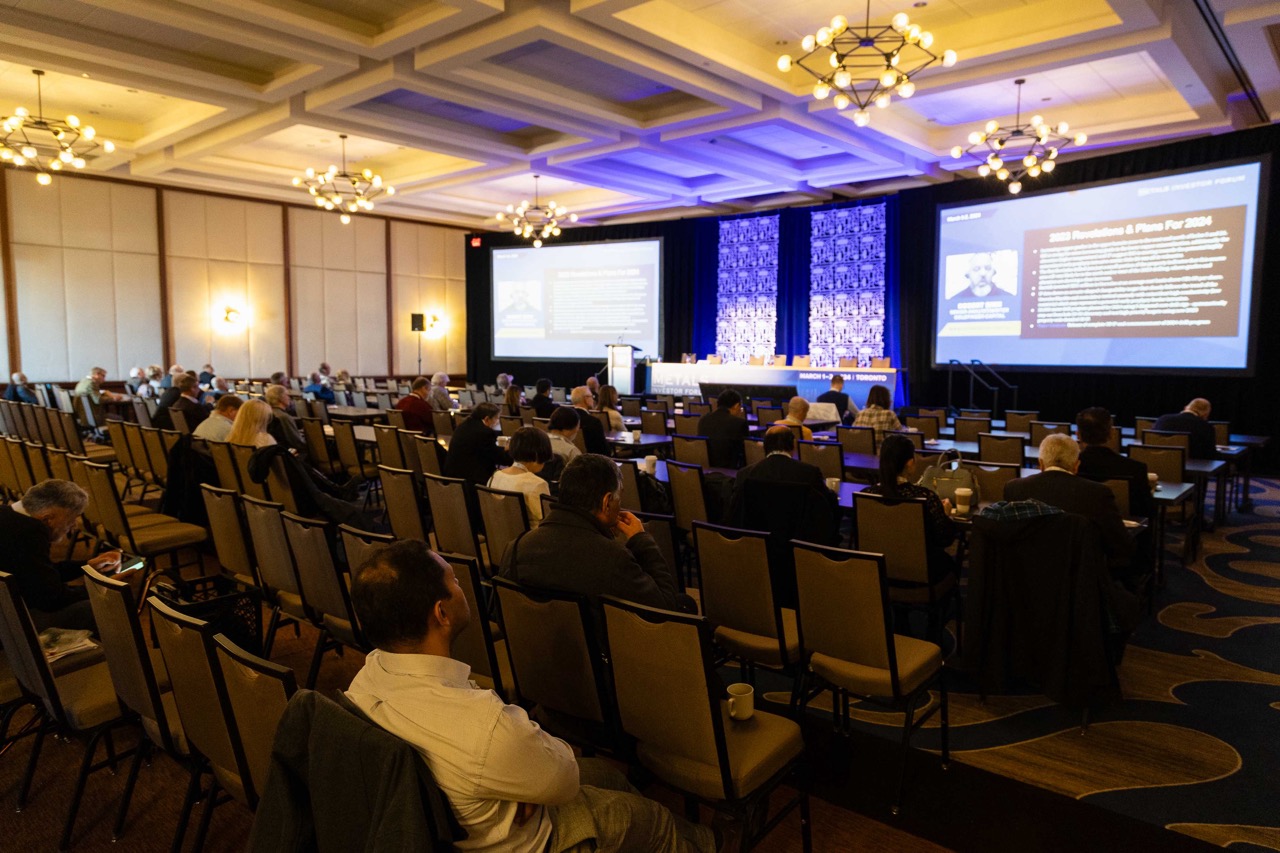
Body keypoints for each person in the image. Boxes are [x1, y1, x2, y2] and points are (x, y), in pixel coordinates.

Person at [347, 540, 716, 853]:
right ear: (441, 613)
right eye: (454, 581)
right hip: (529, 840)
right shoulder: (484, 727)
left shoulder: (366, 678)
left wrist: (516, 784)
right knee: (650, 819)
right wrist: (523, 781)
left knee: (606, 774)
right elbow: (564, 777)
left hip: (477, 810)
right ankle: (707, 844)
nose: (461, 586)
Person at [500, 454, 692, 615]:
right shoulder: (612, 558)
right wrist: (641, 540)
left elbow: (502, 614)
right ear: (607, 502)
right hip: (604, 649)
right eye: (619, 497)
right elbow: (665, 609)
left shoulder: (516, 547)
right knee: (685, 603)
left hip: (533, 648)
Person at [0, 479, 123, 633]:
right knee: (97, 609)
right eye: (71, 518)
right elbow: (52, 599)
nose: (74, 525)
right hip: (12, 624)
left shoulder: (6, 514)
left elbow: (38, 573)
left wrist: (87, 566)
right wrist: (100, 588)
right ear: (47, 519)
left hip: (9, 608)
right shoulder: (30, 531)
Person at [1004, 433, 1132, 562]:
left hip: (1026, 569)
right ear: (1076, 466)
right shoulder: (1098, 493)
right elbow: (1121, 546)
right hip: (1080, 571)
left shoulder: (1014, 489)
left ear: (1041, 464)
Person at [865, 433, 957, 582]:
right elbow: (945, 540)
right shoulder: (925, 497)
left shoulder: (866, 495)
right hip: (921, 576)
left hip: (877, 573)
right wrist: (946, 515)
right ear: (910, 463)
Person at [1077, 407, 1154, 521]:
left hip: (1079, 529)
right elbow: (1145, 511)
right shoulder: (1136, 469)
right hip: (1123, 529)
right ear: (1112, 433)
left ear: (1078, 434)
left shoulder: (1069, 466)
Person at [488, 427, 553, 527]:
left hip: (498, 533)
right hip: (531, 536)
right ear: (537, 455)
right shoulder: (537, 484)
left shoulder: (495, 477)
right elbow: (547, 522)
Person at [444, 402, 510, 485]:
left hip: (453, 475)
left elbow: (485, 449)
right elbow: (499, 458)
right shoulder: (484, 432)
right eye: (496, 419)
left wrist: (503, 448)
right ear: (487, 419)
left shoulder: (463, 425)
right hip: (471, 480)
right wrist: (512, 451)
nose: (497, 422)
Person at [697, 389, 750, 469]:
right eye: (740, 407)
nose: (740, 411)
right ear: (736, 405)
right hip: (730, 470)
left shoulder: (703, 420)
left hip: (705, 468)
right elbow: (747, 449)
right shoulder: (739, 423)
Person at [1152, 397, 1217, 460]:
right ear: (1205, 415)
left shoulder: (1162, 419)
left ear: (1185, 408)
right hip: (1191, 465)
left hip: (1158, 462)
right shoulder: (1206, 427)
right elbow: (1210, 454)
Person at [265, 384, 308, 457]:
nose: (289, 398)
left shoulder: (268, 413)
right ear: (281, 398)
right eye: (287, 395)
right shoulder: (284, 417)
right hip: (291, 455)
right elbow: (297, 442)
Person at [570, 386, 609, 455]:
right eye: (592, 397)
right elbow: (603, 450)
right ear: (586, 399)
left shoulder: (566, 419)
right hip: (591, 459)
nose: (593, 400)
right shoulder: (593, 422)